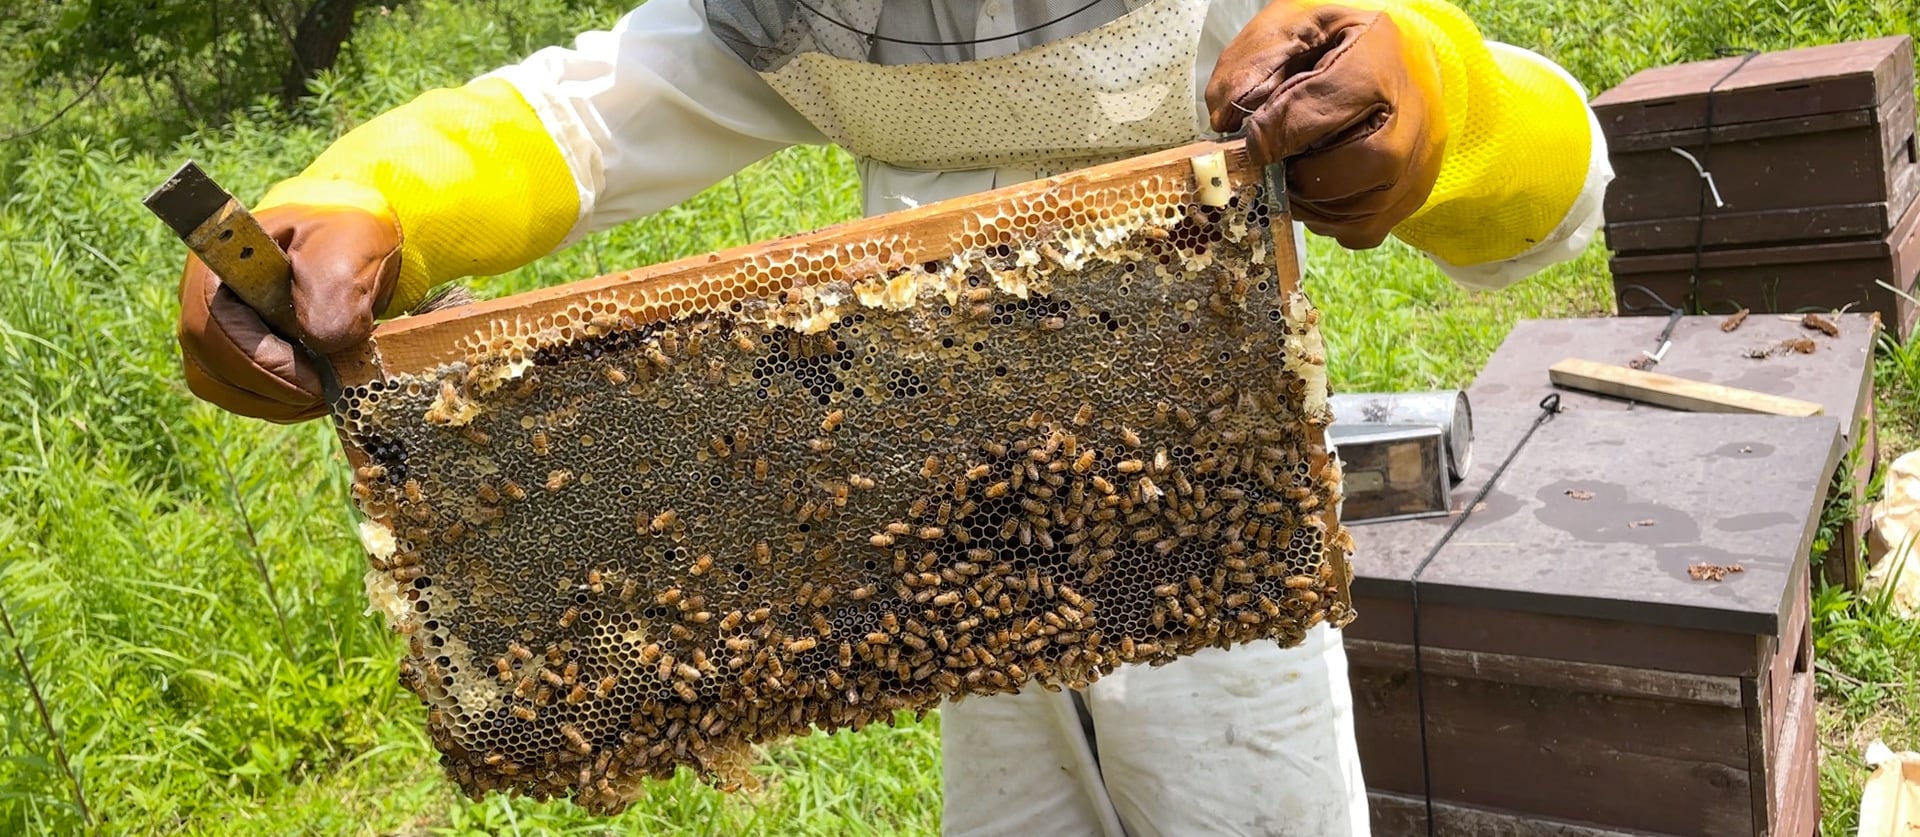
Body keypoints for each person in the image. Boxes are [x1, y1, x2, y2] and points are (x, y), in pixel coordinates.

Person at [173, 1, 1612, 834]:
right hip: (953, 533)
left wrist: (1446, 110)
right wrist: (364, 199)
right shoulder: (802, 16)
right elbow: (584, 113)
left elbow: (1567, 188)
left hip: (1209, 549)